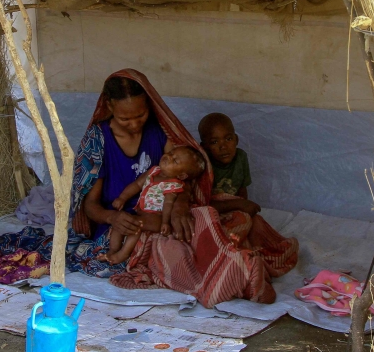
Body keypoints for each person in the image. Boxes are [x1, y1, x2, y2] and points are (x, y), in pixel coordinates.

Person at [68, 69, 298, 307]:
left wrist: (180, 203)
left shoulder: (160, 132)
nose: (135, 124)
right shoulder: (97, 141)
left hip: (163, 213)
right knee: (172, 250)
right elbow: (89, 206)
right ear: (109, 106)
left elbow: (186, 174)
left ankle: (238, 263)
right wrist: (113, 217)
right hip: (125, 227)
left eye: (141, 114)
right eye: (125, 119)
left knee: (209, 217)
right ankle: (230, 277)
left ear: (150, 104)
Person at [98, 146, 207, 264]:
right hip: (142, 213)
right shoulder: (153, 171)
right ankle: (112, 250)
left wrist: (165, 222)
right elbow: (137, 185)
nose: (169, 157)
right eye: (170, 153)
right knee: (121, 222)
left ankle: (122, 255)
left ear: (181, 176)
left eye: (175, 161)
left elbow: (168, 204)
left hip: (157, 217)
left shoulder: (173, 185)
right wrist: (122, 198)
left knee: (135, 226)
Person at [198, 113, 261, 216]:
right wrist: (239, 204)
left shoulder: (241, 157)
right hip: (211, 211)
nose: (223, 146)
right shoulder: (203, 164)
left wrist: (244, 208)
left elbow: (242, 189)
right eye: (214, 142)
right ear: (204, 147)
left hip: (234, 208)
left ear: (236, 139)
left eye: (228, 139)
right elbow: (202, 204)